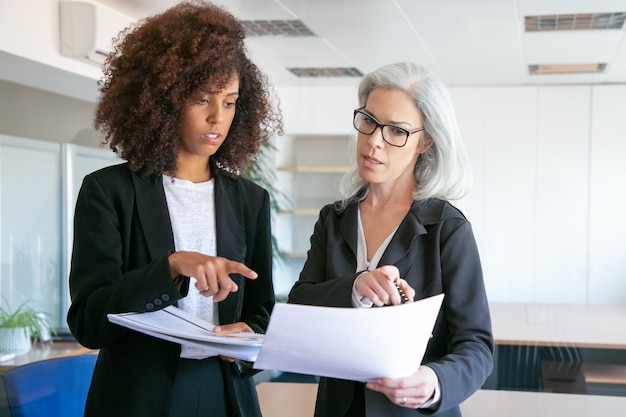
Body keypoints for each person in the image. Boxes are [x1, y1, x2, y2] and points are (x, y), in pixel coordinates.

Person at [66, 2, 282, 416]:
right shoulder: (108, 192)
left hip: (225, 393)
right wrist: (169, 268)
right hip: (137, 399)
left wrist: (250, 332)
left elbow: (262, 310)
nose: (218, 118)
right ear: (164, 100)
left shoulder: (251, 200)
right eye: (202, 99)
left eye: (231, 101)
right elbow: (88, 321)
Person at [288, 62, 493, 417]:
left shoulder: (448, 228)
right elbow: (300, 303)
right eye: (368, 121)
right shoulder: (333, 220)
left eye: (396, 131)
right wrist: (355, 288)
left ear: (425, 141)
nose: (374, 141)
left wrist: (434, 381)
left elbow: (476, 345)